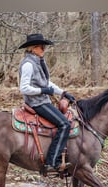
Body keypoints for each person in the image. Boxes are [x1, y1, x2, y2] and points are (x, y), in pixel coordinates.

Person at [18, 33, 75, 174]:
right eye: (41, 47)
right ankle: (52, 161)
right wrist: (42, 90)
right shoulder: (28, 65)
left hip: (42, 100)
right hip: (37, 103)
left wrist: (62, 92)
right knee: (64, 124)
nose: (44, 49)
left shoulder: (37, 61)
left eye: (44, 46)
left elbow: (46, 82)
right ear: (32, 48)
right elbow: (24, 88)